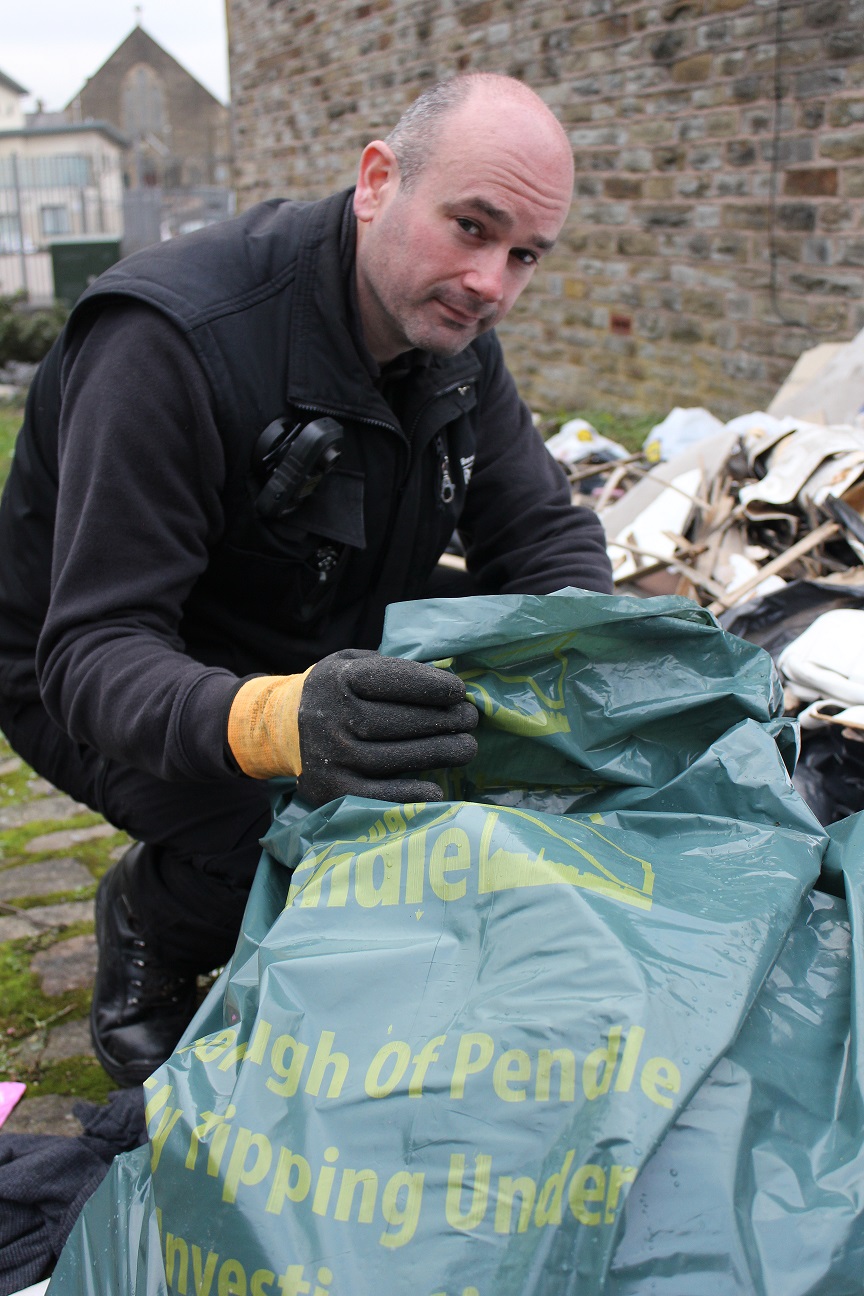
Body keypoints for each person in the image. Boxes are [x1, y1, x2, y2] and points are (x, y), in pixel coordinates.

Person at [0, 72, 613, 1087]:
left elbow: (544, 533)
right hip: (89, 673)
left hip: (297, 630)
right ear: (378, 180)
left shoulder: (455, 341)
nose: (492, 283)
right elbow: (93, 653)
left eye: (524, 256)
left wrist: (597, 668)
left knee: (463, 786)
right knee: (297, 831)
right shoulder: (172, 342)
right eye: (471, 227)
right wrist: (282, 727)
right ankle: (153, 923)